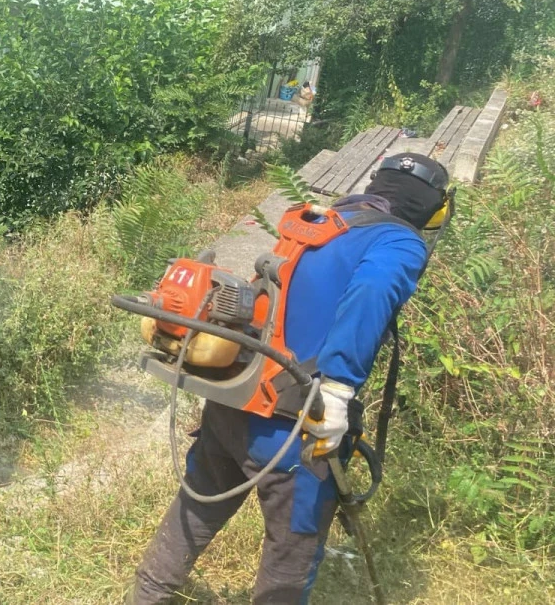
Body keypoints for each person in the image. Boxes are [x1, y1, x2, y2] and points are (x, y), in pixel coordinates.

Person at [129, 154, 451, 603]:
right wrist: (338, 388)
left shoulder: (322, 223)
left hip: (234, 402)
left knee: (197, 504)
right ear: (433, 207)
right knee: (292, 553)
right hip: (294, 428)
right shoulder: (399, 241)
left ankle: (146, 595)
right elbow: (373, 289)